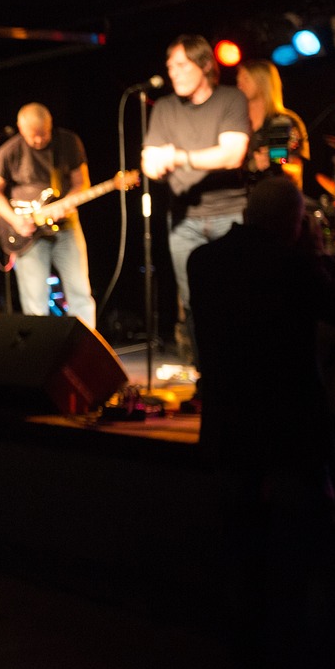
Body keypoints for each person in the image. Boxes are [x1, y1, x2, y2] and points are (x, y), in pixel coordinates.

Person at [188, 177, 335, 669]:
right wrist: (319, 254)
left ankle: (243, 668)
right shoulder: (296, 266)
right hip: (289, 432)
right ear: (295, 221)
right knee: (303, 552)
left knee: (240, 550)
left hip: (230, 428)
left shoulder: (203, 262)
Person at [140, 34, 251, 409]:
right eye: (170, 66)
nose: (173, 73)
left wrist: (180, 155)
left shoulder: (231, 99)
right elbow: (151, 159)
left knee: (236, 301)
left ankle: (241, 382)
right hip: (183, 222)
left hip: (230, 216)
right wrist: (153, 162)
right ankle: (210, 382)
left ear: (205, 65)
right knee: (194, 305)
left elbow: (233, 154)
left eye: (182, 65)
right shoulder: (164, 108)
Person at [0, 103, 97, 329]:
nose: (38, 141)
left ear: (50, 124)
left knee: (81, 293)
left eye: (43, 134)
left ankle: (86, 353)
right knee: (35, 302)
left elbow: (81, 183)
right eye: (32, 136)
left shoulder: (68, 143)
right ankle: (41, 358)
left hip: (66, 228)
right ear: (20, 128)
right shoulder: (10, 150)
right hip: (28, 233)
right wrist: (15, 220)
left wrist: (65, 204)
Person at [236, 59, 309, 190]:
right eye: (239, 79)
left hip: (274, 200)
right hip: (238, 200)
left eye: (246, 79)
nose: (239, 84)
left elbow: (292, 166)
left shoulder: (282, 122)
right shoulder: (236, 121)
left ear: (262, 82)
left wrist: (272, 160)